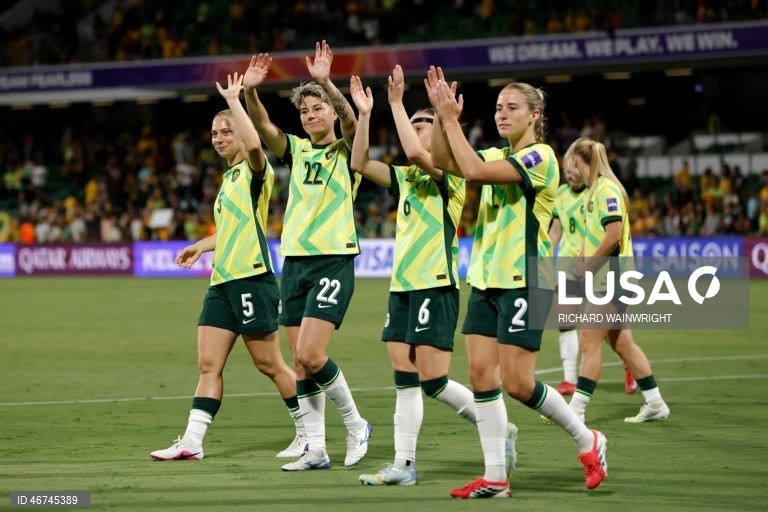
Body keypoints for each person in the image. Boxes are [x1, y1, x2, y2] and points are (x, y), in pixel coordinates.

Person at [426, 66, 607, 499]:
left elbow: (469, 171)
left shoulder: (541, 157)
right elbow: (441, 160)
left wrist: (452, 122)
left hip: (528, 279)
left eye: (512, 108)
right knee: (480, 375)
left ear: (534, 113)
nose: (502, 114)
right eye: (497, 108)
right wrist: (438, 115)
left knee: (520, 383)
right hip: (487, 279)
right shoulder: (493, 154)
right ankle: (496, 477)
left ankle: (588, 440)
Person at [348, 66, 515, 486]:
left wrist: (399, 104)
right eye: (413, 124)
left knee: (434, 380)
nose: (415, 130)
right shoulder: (405, 180)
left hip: (435, 283)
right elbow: (358, 161)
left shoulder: (449, 176)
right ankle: (403, 465)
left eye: (424, 124)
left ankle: (496, 426)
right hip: (402, 286)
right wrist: (367, 116)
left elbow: (423, 155)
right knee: (404, 378)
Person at [150, 73, 303, 461]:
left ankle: (306, 433)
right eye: (215, 133)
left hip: (252, 277)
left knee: (270, 364)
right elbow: (232, 230)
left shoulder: (256, 170)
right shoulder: (229, 178)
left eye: (225, 131)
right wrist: (201, 246)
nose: (218, 137)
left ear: (240, 133)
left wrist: (236, 101)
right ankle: (192, 442)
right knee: (207, 364)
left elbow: (255, 143)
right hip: (223, 281)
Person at [242, 42, 371, 471]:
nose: (311, 116)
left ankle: (356, 425)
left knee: (313, 356)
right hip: (294, 262)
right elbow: (262, 125)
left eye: (318, 109)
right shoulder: (296, 151)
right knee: (299, 364)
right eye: (305, 111)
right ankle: (316, 448)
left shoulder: (349, 153)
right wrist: (250, 93)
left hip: (333, 259)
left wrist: (324, 82)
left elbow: (353, 120)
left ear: (331, 113)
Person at [567, 137, 670, 424]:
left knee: (588, 340)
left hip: (613, 276)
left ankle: (575, 411)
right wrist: (582, 256)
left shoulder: (605, 190)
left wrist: (588, 264)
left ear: (577, 160)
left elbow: (613, 235)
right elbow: (599, 235)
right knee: (623, 344)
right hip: (610, 276)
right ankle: (655, 403)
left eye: (570, 161)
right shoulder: (594, 191)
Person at [550, 154, 637, 396]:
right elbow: (555, 232)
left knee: (611, 330)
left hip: (598, 265)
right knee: (565, 321)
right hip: (568, 266)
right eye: (564, 171)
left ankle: (630, 366)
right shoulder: (560, 195)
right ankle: (569, 378)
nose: (568, 174)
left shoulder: (597, 192)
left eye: (571, 169)